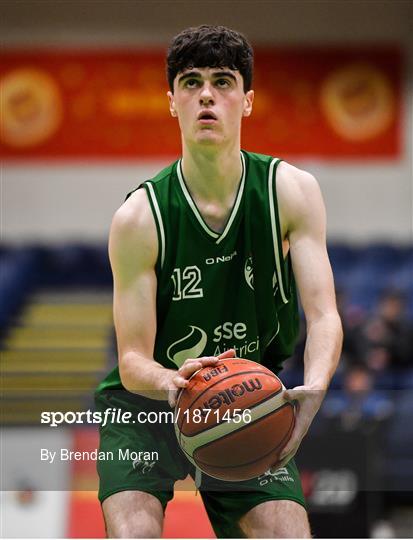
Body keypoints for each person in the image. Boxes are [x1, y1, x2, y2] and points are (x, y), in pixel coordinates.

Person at [94, 25, 343, 538]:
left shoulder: (291, 191)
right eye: (191, 82)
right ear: (172, 102)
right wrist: (172, 381)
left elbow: (324, 315)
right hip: (147, 408)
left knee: (287, 534)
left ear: (247, 101)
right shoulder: (139, 217)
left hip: (244, 397)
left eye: (223, 82)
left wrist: (316, 385)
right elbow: (132, 360)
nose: (206, 94)